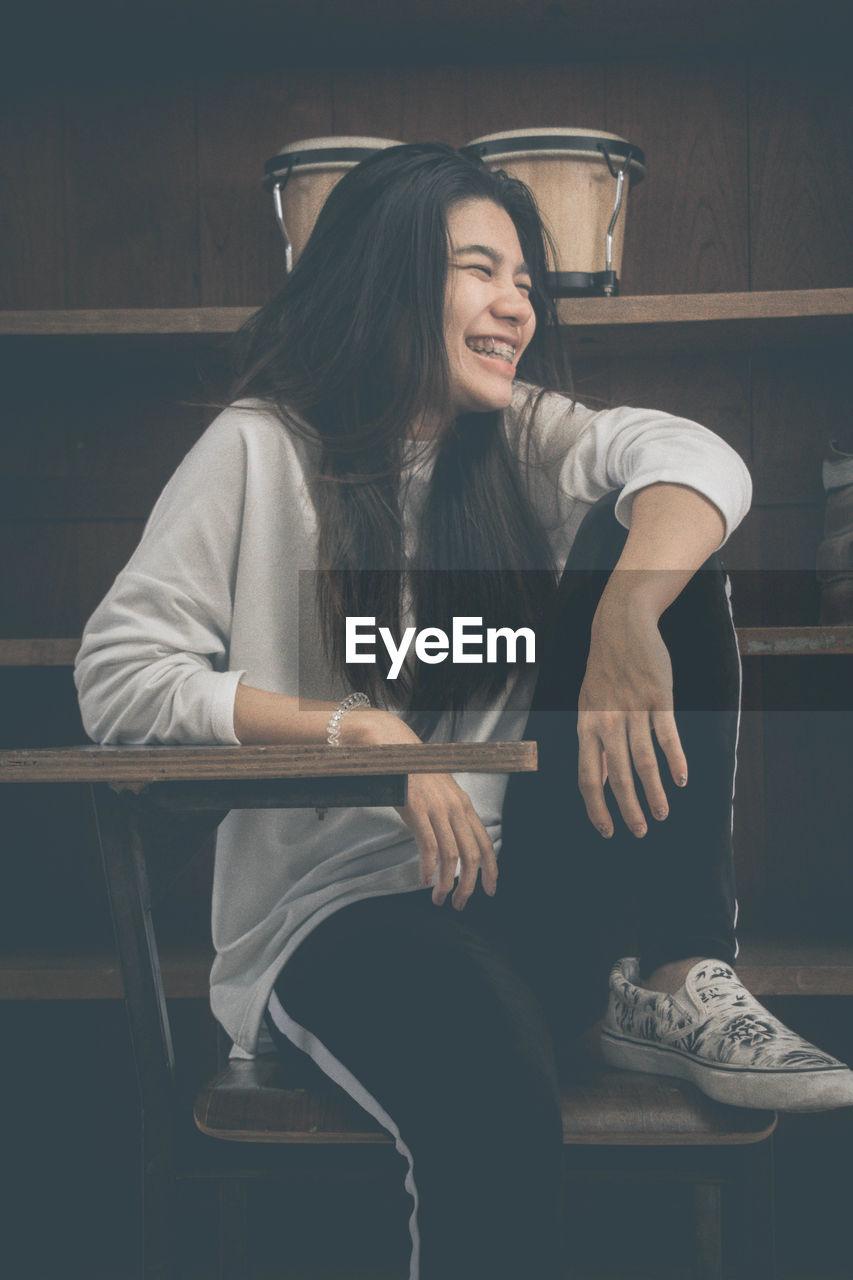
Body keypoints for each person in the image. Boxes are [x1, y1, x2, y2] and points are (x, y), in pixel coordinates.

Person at [74, 142, 853, 1278]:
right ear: (389, 276)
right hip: (347, 922)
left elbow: (697, 457)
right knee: (488, 1095)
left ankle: (682, 972)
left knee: (661, 542)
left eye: (525, 281)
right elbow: (119, 674)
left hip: (533, 890)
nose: (513, 307)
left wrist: (626, 616)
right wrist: (361, 736)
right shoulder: (259, 449)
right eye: (479, 270)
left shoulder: (520, 440)